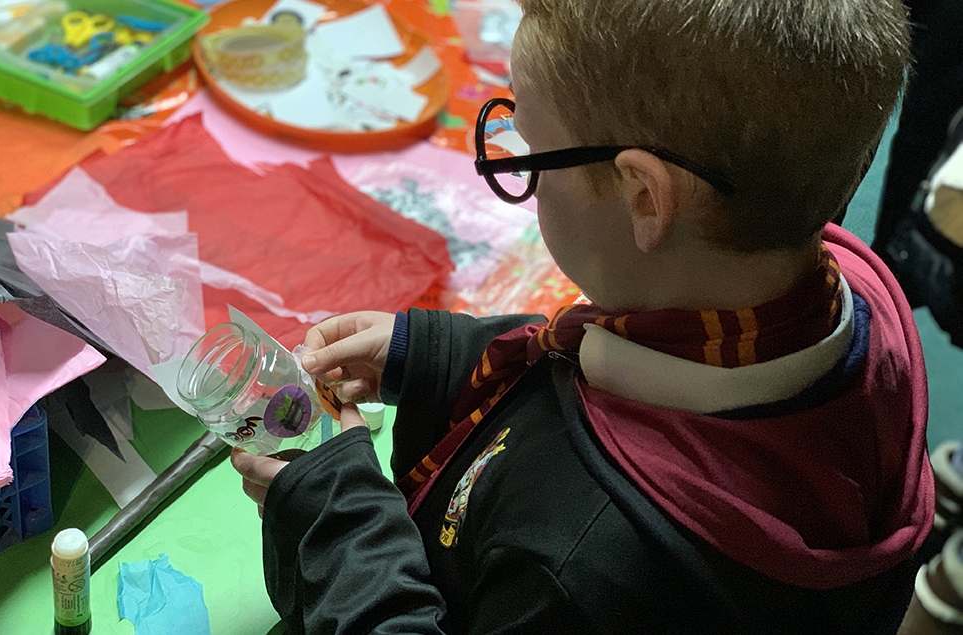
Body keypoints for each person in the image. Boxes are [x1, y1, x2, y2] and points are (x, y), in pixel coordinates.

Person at [231, 1, 935, 632]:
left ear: (646, 201)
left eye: (530, 151)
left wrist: (343, 527)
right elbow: (600, 356)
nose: (522, 167)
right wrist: (442, 354)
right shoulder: (845, 306)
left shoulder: (576, 571)